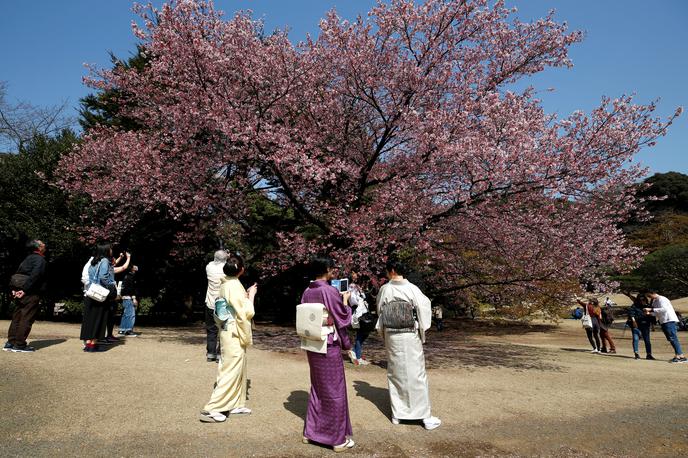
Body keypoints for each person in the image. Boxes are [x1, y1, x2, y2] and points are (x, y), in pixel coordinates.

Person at [376, 257, 441, 430]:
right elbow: (424, 307)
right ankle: (423, 416)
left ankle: (398, 414)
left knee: (396, 372)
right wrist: (422, 328)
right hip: (409, 335)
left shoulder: (385, 289)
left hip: (392, 335)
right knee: (416, 373)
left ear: (392, 271)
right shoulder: (413, 289)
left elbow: (379, 310)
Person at [300, 257, 355, 452]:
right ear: (327, 270)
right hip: (328, 345)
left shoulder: (308, 291)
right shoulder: (328, 290)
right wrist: (346, 302)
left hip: (312, 345)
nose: (334, 271)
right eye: (333, 268)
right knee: (334, 392)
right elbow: (343, 319)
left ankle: (312, 432)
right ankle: (336, 439)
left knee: (318, 389)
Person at [199, 253, 257, 422]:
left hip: (228, 329)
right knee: (231, 369)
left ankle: (236, 403)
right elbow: (246, 311)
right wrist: (251, 295)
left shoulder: (226, 283)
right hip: (233, 331)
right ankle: (214, 407)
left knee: (237, 367)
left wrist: (245, 296)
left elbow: (236, 305)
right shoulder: (233, 285)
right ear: (241, 270)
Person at [4, 240, 47, 353]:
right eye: (42, 244)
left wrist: (14, 289)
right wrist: (25, 290)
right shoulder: (40, 259)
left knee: (17, 316)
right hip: (31, 292)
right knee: (26, 318)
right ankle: (20, 345)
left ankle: (10, 342)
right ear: (38, 248)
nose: (44, 245)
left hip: (19, 290)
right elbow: (36, 275)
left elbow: (17, 274)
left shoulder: (28, 258)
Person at [80, 244, 117, 352]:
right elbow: (103, 277)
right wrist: (111, 285)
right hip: (100, 293)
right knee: (99, 319)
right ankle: (93, 344)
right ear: (105, 250)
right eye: (110, 248)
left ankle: (88, 344)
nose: (111, 250)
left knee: (90, 319)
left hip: (91, 292)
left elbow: (89, 276)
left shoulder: (93, 261)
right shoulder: (105, 261)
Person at [643, 291, 687, 363]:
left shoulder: (662, 299)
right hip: (663, 321)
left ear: (653, 293)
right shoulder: (655, 301)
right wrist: (650, 313)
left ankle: (681, 356)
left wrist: (651, 309)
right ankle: (678, 355)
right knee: (670, 339)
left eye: (649, 296)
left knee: (673, 338)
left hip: (669, 320)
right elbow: (657, 312)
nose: (649, 298)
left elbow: (664, 309)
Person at [205, 250, 228, 362]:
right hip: (223, 304)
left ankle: (210, 353)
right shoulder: (226, 270)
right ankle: (220, 354)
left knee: (211, 330)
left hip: (210, 302)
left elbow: (216, 260)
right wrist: (228, 256)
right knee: (223, 330)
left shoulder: (209, 267)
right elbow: (228, 265)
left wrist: (223, 256)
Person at [347, 270, 371, 366]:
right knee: (361, 333)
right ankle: (358, 356)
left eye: (355, 272)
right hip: (358, 312)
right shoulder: (351, 286)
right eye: (353, 273)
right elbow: (353, 300)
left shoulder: (356, 286)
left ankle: (354, 352)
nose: (355, 274)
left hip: (362, 311)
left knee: (364, 332)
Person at [624, 292, 654, 360]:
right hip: (636, 325)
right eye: (641, 300)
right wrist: (634, 321)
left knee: (647, 340)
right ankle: (636, 353)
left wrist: (652, 323)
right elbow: (631, 314)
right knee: (635, 339)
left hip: (646, 325)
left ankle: (649, 354)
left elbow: (652, 316)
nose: (642, 301)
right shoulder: (634, 306)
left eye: (644, 299)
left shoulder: (648, 306)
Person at [118, 265, 140, 336]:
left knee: (125, 314)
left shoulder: (125, 276)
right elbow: (131, 288)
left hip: (124, 297)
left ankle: (122, 330)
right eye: (134, 267)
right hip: (129, 297)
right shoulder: (131, 277)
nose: (136, 267)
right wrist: (134, 298)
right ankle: (128, 330)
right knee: (131, 314)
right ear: (132, 269)